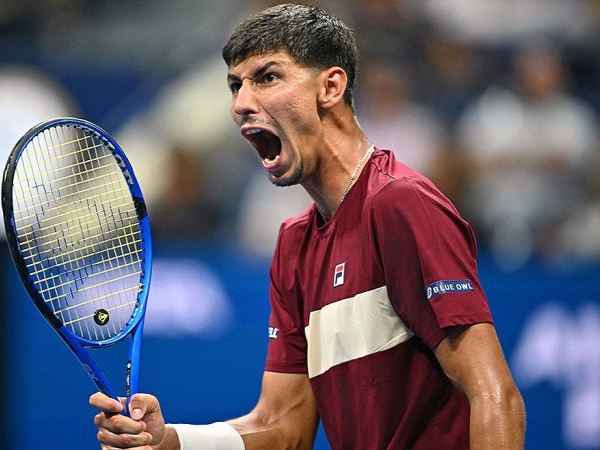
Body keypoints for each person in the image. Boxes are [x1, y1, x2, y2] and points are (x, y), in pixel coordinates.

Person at [90, 4, 526, 449]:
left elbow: (495, 395)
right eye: (235, 85)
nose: (241, 103)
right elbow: (283, 426)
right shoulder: (293, 245)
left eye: (268, 77)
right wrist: (169, 441)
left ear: (331, 86)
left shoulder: (402, 204)